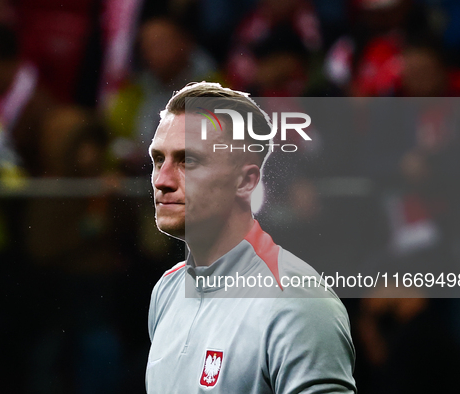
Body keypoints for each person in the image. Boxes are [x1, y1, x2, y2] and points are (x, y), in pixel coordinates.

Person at [146, 82, 356, 393]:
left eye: (187, 161)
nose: (162, 180)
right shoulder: (167, 290)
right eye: (158, 160)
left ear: (246, 182)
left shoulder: (297, 302)